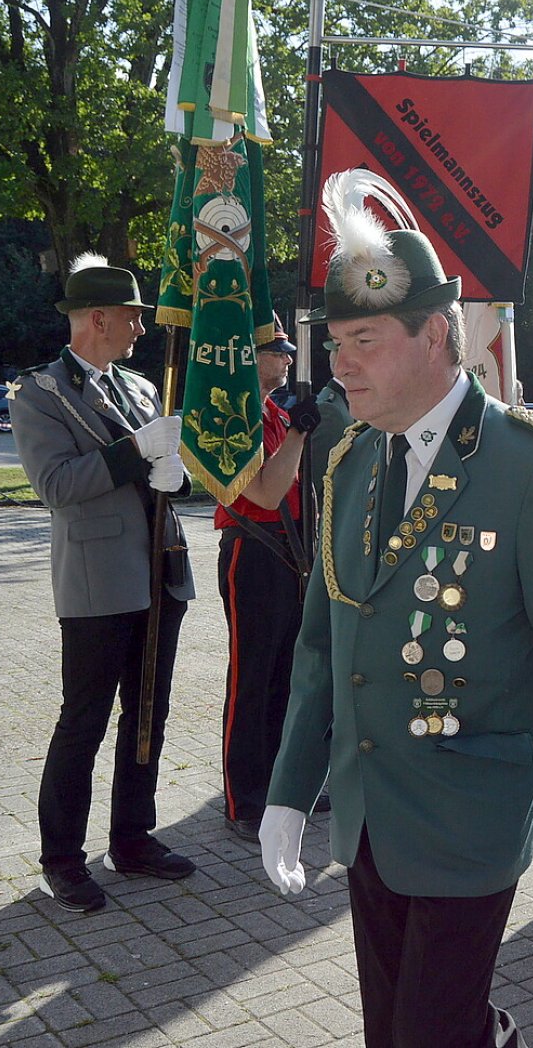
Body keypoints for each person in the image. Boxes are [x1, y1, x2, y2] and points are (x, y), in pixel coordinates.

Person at [259, 173, 533, 1048]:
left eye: (363, 339)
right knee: (393, 1033)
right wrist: (290, 789)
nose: (339, 363)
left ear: (435, 335)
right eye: (335, 342)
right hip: (368, 819)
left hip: (470, 814)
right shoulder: (349, 462)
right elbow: (324, 647)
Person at [9, 253, 197, 914]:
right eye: (133, 317)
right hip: (98, 581)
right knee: (83, 720)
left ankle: (132, 839)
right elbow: (57, 486)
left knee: (149, 712)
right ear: (96, 319)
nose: (141, 329)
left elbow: (166, 466)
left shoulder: (142, 389)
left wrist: (177, 472)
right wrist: (135, 453)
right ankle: (62, 858)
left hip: (160, 569)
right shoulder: (39, 393)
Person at [214, 324, 324, 843]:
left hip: (290, 551)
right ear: (247, 355)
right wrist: (300, 435)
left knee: (286, 674)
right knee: (251, 679)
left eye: (287, 351)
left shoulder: (276, 413)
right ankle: (244, 799)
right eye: (275, 350)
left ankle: (281, 787)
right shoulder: (233, 414)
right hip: (253, 547)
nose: (286, 359)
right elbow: (262, 494)